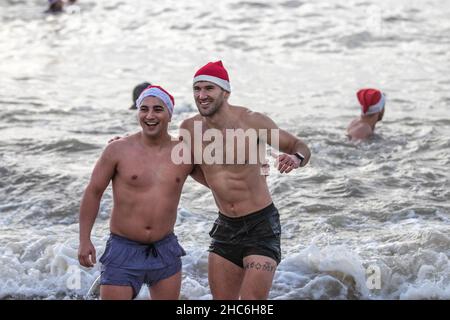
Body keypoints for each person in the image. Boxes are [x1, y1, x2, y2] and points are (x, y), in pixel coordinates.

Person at [179, 61, 311, 300]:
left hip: (261, 226)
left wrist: (295, 158)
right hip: (225, 227)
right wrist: (126, 141)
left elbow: (298, 146)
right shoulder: (189, 128)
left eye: (209, 88)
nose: (201, 95)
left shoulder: (252, 122)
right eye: (197, 89)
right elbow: (182, 165)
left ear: (225, 92)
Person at [78, 85, 203, 300]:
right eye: (144, 109)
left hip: (165, 250)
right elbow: (93, 192)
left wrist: (257, 165)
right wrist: (84, 240)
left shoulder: (185, 152)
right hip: (123, 249)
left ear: (170, 115)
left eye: (157, 109)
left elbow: (220, 182)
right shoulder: (118, 149)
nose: (150, 115)